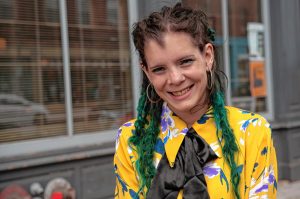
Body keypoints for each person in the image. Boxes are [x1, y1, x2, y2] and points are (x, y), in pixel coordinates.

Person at [114, 3, 277, 199]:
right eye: (159, 69)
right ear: (146, 71)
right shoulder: (131, 140)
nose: (175, 78)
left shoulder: (252, 132)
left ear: (207, 56)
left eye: (185, 61)